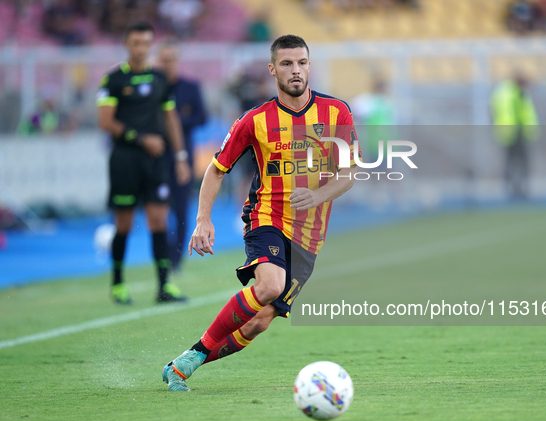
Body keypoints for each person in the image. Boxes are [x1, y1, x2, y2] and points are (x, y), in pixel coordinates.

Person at [162, 34, 358, 391]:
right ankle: (194, 356)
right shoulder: (255, 120)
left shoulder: (337, 112)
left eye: (301, 62)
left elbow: (348, 175)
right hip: (266, 217)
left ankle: (183, 364)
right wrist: (202, 219)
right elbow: (216, 169)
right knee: (269, 286)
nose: (295, 70)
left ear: (309, 66)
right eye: (286, 64)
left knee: (259, 322)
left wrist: (318, 197)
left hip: (310, 235)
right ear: (272, 70)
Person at [96, 21, 191, 305]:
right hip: (125, 160)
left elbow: (171, 118)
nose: (140, 48)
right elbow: (105, 122)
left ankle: (164, 286)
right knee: (124, 222)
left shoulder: (160, 79)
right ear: (127, 44)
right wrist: (141, 139)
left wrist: (181, 156)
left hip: (156, 160)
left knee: (159, 219)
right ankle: (117, 284)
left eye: (145, 43)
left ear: (151, 45)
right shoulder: (113, 80)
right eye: (135, 43)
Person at [157, 39, 208, 272]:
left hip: (182, 158)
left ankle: (175, 258)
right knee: (157, 210)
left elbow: (202, 117)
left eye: (170, 59)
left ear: (176, 61)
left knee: (180, 210)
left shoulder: (190, 87)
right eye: (163, 59)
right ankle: (162, 254)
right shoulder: (154, 88)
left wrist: (176, 122)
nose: (167, 64)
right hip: (156, 158)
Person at [490, 72, 539, 200]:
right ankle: (513, 190)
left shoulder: (515, 92)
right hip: (511, 132)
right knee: (512, 162)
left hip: (517, 132)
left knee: (519, 162)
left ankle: (520, 189)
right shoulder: (508, 92)